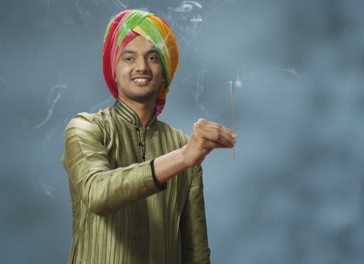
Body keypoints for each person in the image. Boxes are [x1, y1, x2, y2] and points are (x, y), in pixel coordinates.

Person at [61, 9, 236, 264]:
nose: (141, 67)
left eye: (153, 58)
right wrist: (183, 157)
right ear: (113, 67)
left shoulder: (182, 145)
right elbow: (97, 194)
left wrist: (186, 154)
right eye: (129, 58)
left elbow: (194, 250)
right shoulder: (85, 128)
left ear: (164, 69)